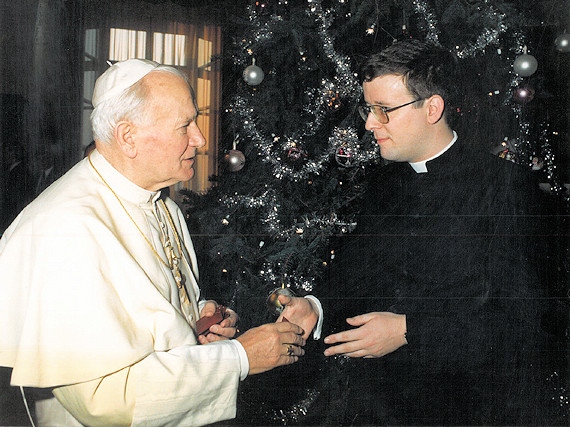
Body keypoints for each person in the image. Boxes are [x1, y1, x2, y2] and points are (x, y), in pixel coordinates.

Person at [0, 59, 320, 427]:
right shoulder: (63, 231)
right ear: (127, 136)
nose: (199, 139)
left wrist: (197, 321)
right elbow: (106, 401)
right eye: (185, 126)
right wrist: (239, 358)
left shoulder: (162, 203)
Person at [311, 39, 555, 425]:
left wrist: (410, 331)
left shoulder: (506, 187)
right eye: (368, 109)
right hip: (378, 403)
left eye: (384, 110)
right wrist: (315, 305)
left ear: (433, 108)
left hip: (466, 405)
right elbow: (356, 266)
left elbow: (523, 323)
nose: (369, 123)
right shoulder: (383, 182)